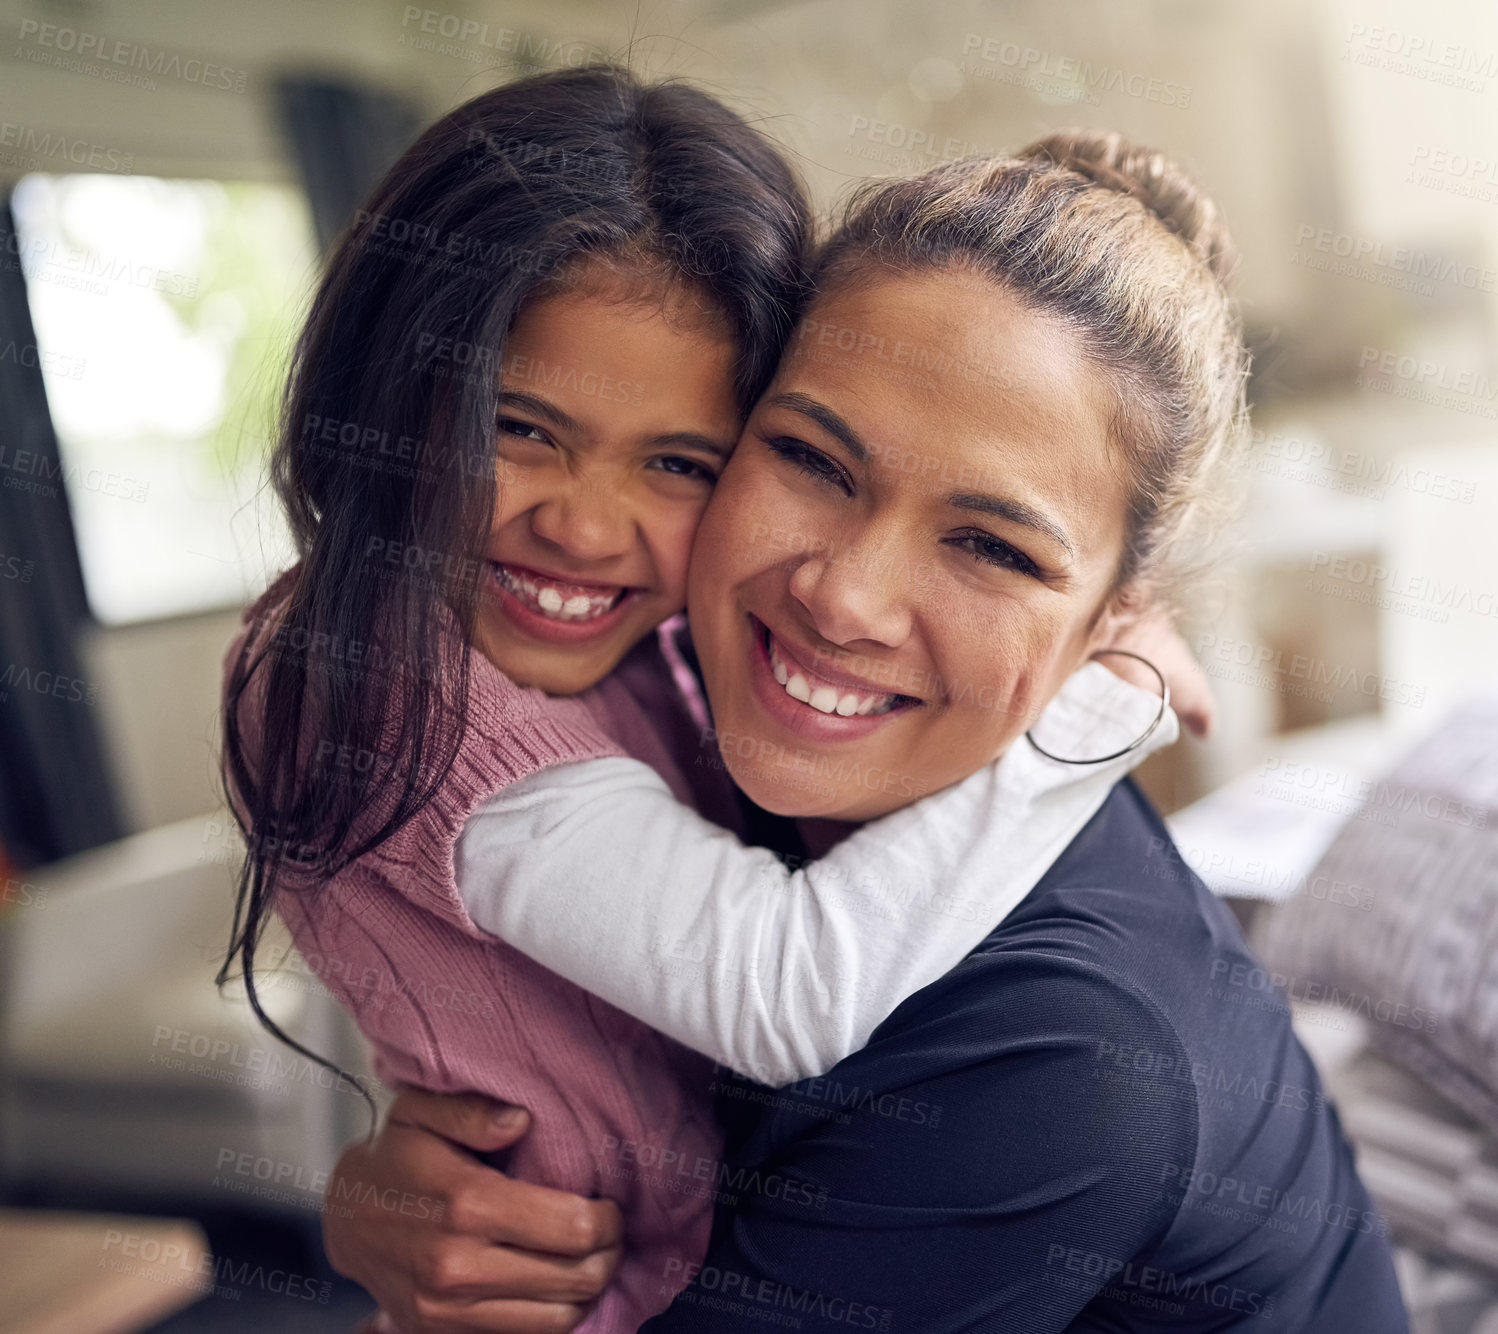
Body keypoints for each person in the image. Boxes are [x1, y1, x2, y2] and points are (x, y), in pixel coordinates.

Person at [321, 132, 1410, 1332]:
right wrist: (393, 1199)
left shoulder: (1058, 1066)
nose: (842, 597)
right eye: (807, 458)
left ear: (1115, 617)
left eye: (992, 545)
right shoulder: (685, 691)